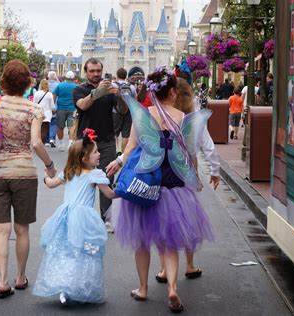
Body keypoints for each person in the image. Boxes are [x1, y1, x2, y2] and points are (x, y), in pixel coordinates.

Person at [106, 67, 214, 313]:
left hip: (146, 185)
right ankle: (173, 288)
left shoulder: (143, 115)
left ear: (153, 91)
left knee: (142, 243)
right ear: (173, 92)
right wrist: (195, 178)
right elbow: (190, 155)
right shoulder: (184, 119)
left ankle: (143, 289)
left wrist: (118, 162)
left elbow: (131, 147)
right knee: (170, 243)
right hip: (174, 185)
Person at [0, 60, 56, 299]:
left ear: (3, 81)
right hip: (24, 173)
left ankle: (2, 281)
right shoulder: (33, 109)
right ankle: (20, 277)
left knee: (1, 230)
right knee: (22, 228)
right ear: (28, 83)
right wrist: (50, 166)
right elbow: (37, 143)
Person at [32, 130, 117, 305]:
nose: (99, 154)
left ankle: (64, 286)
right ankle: (82, 287)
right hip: (84, 220)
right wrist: (124, 191)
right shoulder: (95, 175)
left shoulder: (68, 172)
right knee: (86, 252)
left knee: (65, 251)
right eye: (95, 152)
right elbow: (109, 195)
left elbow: (50, 184)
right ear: (85, 157)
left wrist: (44, 177)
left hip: (65, 217)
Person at [153, 77, 220, 285]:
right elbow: (207, 145)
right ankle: (190, 265)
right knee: (189, 219)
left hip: (162, 173)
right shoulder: (191, 118)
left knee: (162, 221)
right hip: (187, 173)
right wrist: (215, 170)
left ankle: (164, 268)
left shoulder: (160, 115)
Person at [72, 57, 118, 231]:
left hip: (106, 140)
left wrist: (119, 95)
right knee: (83, 180)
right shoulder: (79, 89)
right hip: (86, 142)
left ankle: (107, 218)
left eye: (98, 71)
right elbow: (83, 106)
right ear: (86, 72)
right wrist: (98, 91)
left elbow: (123, 110)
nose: (96, 74)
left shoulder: (109, 90)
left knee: (106, 178)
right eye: (92, 71)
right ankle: (82, 217)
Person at [112, 67, 136, 153]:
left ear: (117, 75)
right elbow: (135, 101)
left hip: (115, 112)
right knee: (125, 135)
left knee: (115, 133)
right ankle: (123, 153)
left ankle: (116, 150)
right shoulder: (132, 87)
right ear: (126, 76)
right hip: (128, 112)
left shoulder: (113, 85)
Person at [53, 71, 77, 151]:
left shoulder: (60, 85)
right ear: (73, 78)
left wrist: (53, 107)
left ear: (65, 77)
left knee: (60, 127)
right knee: (71, 126)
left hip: (61, 108)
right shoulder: (76, 86)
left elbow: (54, 96)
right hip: (72, 109)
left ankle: (61, 144)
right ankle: (70, 143)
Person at [33, 79, 55, 144]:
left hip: (38, 113)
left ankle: (37, 142)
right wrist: (54, 110)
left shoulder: (37, 93)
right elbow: (52, 106)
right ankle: (42, 143)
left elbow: (34, 104)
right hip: (47, 114)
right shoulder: (49, 94)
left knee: (38, 130)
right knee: (44, 130)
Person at [46, 71, 59, 148]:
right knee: (53, 123)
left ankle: (46, 140)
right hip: (55, 106)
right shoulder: (58, 85)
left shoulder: (44, 84)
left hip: (45, 108)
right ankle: (52, 139)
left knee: (46, 123)